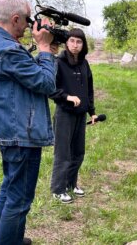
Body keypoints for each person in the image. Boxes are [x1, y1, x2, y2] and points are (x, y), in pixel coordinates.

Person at [0, 0, 56, 244]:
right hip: (21, 134)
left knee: (10, 187)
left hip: (6, 129)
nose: (31, 25)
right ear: (16, 18)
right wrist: (44, 48)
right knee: (19, 200)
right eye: (29, 19)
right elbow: (46, 82)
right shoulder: (8, 49)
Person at [49, 28, 98, 204]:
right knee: (63, 153)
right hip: (64, 114)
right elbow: (50, 88)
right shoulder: (58, 62)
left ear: (83, 44)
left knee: (78, 152)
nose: (75, 45)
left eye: (79, 42)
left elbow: (88, 89)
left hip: (80, 115)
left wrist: (91, 111)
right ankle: (58, 189)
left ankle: (71, 184)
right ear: (66, 43)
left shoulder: (84, 63)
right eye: (72, 41)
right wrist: (67, 97)